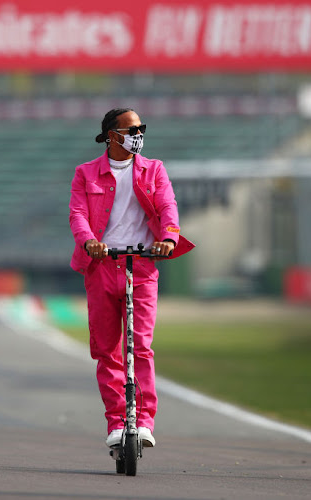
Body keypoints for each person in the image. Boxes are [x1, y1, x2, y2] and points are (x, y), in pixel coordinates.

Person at [69, 108, 194, 449]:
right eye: (131, 129)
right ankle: (116, 420)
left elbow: (168, 205)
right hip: (101, 264)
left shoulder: (154, 170)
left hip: (141, 265)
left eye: (141, 128)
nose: (138, 134)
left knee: (140, 346)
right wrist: (88, 242)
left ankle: (144, 420)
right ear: (112, 134)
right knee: (107, 349)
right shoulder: (86, 174)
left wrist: (168, 237)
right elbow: (78, 214)